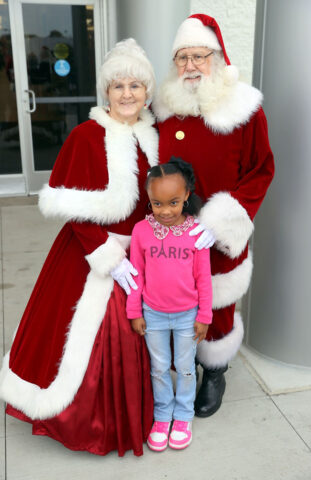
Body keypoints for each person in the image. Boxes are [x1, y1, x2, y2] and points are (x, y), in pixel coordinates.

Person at [0, 38, 159, 457]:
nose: (127, 94)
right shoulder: (86, 136)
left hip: (141, 254)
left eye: (136, 86)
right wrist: (108, 255)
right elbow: (73, 210)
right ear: (106, 91)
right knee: (85, 339)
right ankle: (86, 424)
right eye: (118, 85)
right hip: (90, 253)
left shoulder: (153, 136)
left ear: (147, 92)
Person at [153, 14, 275, 417]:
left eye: (198, 56)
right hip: (169, 230)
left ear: (217, 57)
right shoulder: (164, 107)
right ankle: (176, 367)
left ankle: (215, 369)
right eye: (182, 57)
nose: (190, 66)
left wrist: (225, 219)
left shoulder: (245, 107)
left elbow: (262, 169)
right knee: (172, 299)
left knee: (217, 300)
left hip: (218, 233)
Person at [126, 157, 212, 451]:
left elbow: (204, 279)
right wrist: (134, 311)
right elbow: (136, 275)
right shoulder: (141, 232)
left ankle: (183, 414)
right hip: (154, 315)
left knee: (185, 366)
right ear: (149, 199)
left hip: (188, 315)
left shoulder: (196, 233)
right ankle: (163, 415)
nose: (165, 211)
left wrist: (205, 315)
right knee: (160, 367)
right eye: (157, 204)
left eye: (173, 202)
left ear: (187, 195)